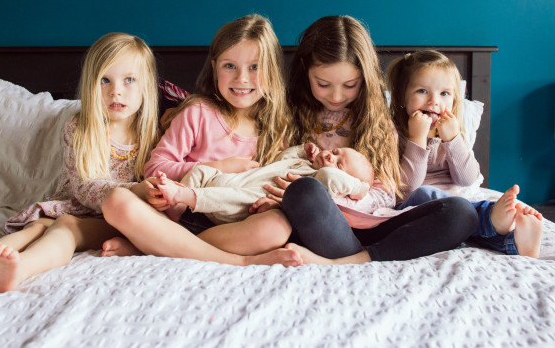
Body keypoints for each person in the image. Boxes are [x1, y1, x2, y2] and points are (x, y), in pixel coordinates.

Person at [0, 32, 161, 298]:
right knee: (36, 228)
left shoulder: (153, 136)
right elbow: (82, 187)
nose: (116, 91)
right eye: (104, 80)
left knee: (66, 228)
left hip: (110, 219)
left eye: (129, 80)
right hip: (72, 205)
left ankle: (19, 268)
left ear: (146, 86)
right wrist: (134, 189)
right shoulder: (80, 128)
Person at [258, 15, 479, 265]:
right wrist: (280, 197)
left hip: (373, 223)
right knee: (304, 191)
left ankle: (351, 259)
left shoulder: (379, 123)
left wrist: (347, 195)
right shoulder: (288, 116)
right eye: (323, 84)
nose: (336, 96)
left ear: (365, 77)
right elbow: (276, 172)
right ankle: (354, 255)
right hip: (318, 219)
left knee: (462, 212)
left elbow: (391, 194)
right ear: (304, 69)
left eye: (349, 85)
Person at [100, 14, 301, 266]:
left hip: (233, 223)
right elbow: (154, 168)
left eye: (254, 67)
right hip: (181, 215)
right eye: (230, 66)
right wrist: (217, 167)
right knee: (116, 201)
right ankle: (239, 261)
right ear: (214, 68)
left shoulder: (280, 127)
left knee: (277, 227)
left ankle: (153, 245)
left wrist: (271, 202)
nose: (242, 78)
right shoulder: (198, 113)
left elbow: (277, 181)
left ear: (272, 71)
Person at [386, 50, 543, 257]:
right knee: (428, 194)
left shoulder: (453, 133)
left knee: (467, 221)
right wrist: (417, 138)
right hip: (414, 209)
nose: (434, 101)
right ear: (402, 96)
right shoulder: (393, 135)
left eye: (444, 93)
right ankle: (490, 219)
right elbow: (406, 189)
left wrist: (453, 140)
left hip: (458, 210)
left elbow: (467, 179)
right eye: (422, 91)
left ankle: (515, 242)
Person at [154, 143, 373, 224]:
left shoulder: (315, 182)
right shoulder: (304, 164)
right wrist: (301, 150)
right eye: (335, 151)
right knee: (201, 170)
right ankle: (177, 211)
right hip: (230, 180)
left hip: (244, 202)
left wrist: (359, 188)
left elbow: (330, 177)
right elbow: (280, 159)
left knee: (235, 197)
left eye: (339, 164)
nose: (330, 156)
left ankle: (184, 196)